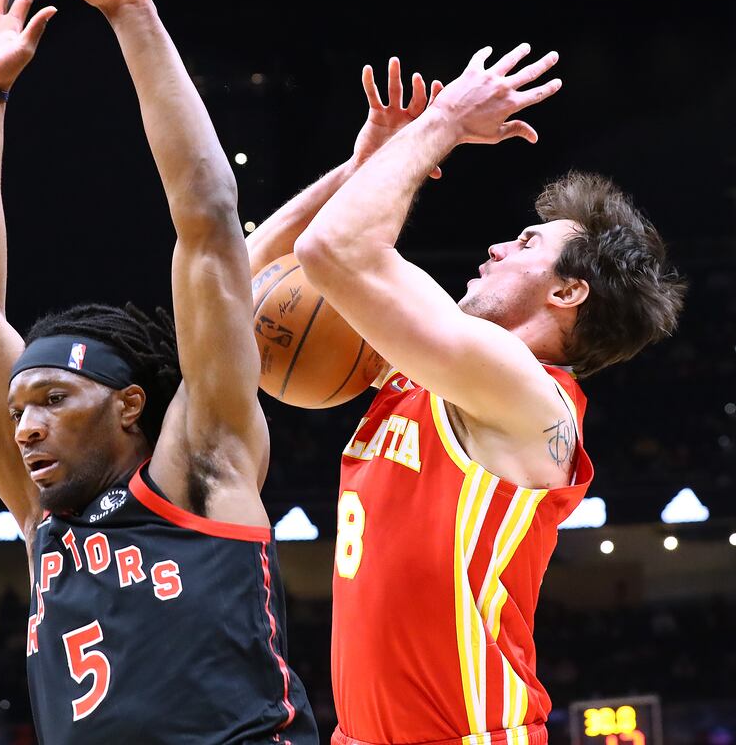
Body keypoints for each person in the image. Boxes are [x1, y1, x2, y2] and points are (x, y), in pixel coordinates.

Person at [0, 0, 316, 745]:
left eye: (52, 400)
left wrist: (133, 14)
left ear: (130, 404)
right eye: (19, 406)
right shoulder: (43, 518)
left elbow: (209, 220)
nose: (25, 426)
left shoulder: (202, 464)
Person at [249, 50, 685, 745]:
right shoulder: (431, 365)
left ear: (568, 291)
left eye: (527, 243)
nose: (497, 247)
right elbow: (246, 283)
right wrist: (360, 167)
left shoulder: (527, 393)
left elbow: (332, 249)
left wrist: (445, 120)